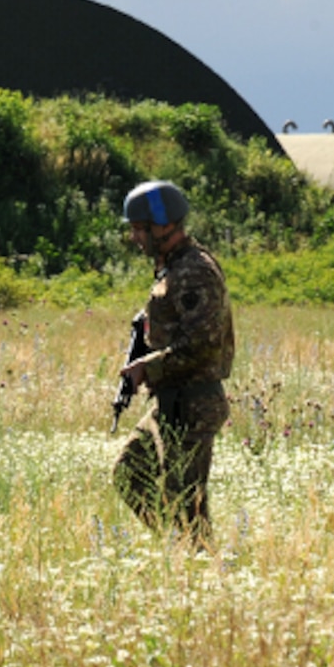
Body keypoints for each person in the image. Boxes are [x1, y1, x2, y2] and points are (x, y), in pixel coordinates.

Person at [114, 180, 233, 542]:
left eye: (140, 228)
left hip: (194, 403)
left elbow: (203, 345)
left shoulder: (193, 271)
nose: (135, 237)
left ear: (164, 226)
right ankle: (178, 549)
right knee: (130, 474)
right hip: (171, 402)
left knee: (187, 505)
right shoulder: (172, 268)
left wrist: (147, 367)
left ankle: (198, 564)